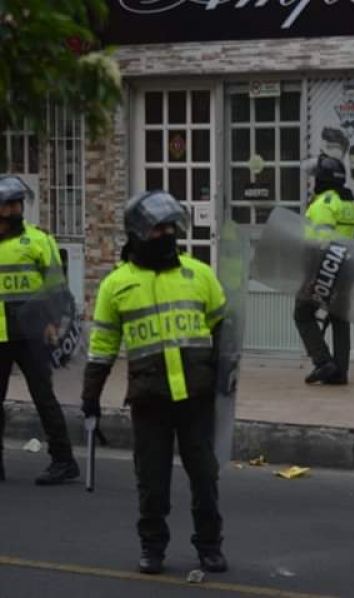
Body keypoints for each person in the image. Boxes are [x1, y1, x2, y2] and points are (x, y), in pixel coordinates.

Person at [81, 190, 228, 575]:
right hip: (149, 399)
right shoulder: (116, 284)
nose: (166, 234)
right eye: (157, 228)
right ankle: (152, 547)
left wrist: (223, 379)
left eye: (170, 227)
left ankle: (209, 546)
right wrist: (90, 396)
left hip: (196, 397)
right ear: (137, 233)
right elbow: (103, 345)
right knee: (151, 482)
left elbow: (222, 328)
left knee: (205, 478)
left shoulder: (199, 274)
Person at [0, 174, 79, 485]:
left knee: (44, 398)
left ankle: (63, 460)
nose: (14, 211)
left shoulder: (37, 240)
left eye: (17, 204)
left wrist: (53, 323)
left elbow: (56, 289)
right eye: (8, 206)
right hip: (0, 336)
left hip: (32, 335)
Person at [294, 155, 354, 385]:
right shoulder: (349, 203)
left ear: (324, 179)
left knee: (302, 313)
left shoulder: (324, 203)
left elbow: (322, 242)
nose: (313, 182)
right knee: (340, 318)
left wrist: (313, 276)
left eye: (316, 177)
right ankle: (339, 372)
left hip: (325, 267)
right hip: (346, 267)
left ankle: (323, 362)